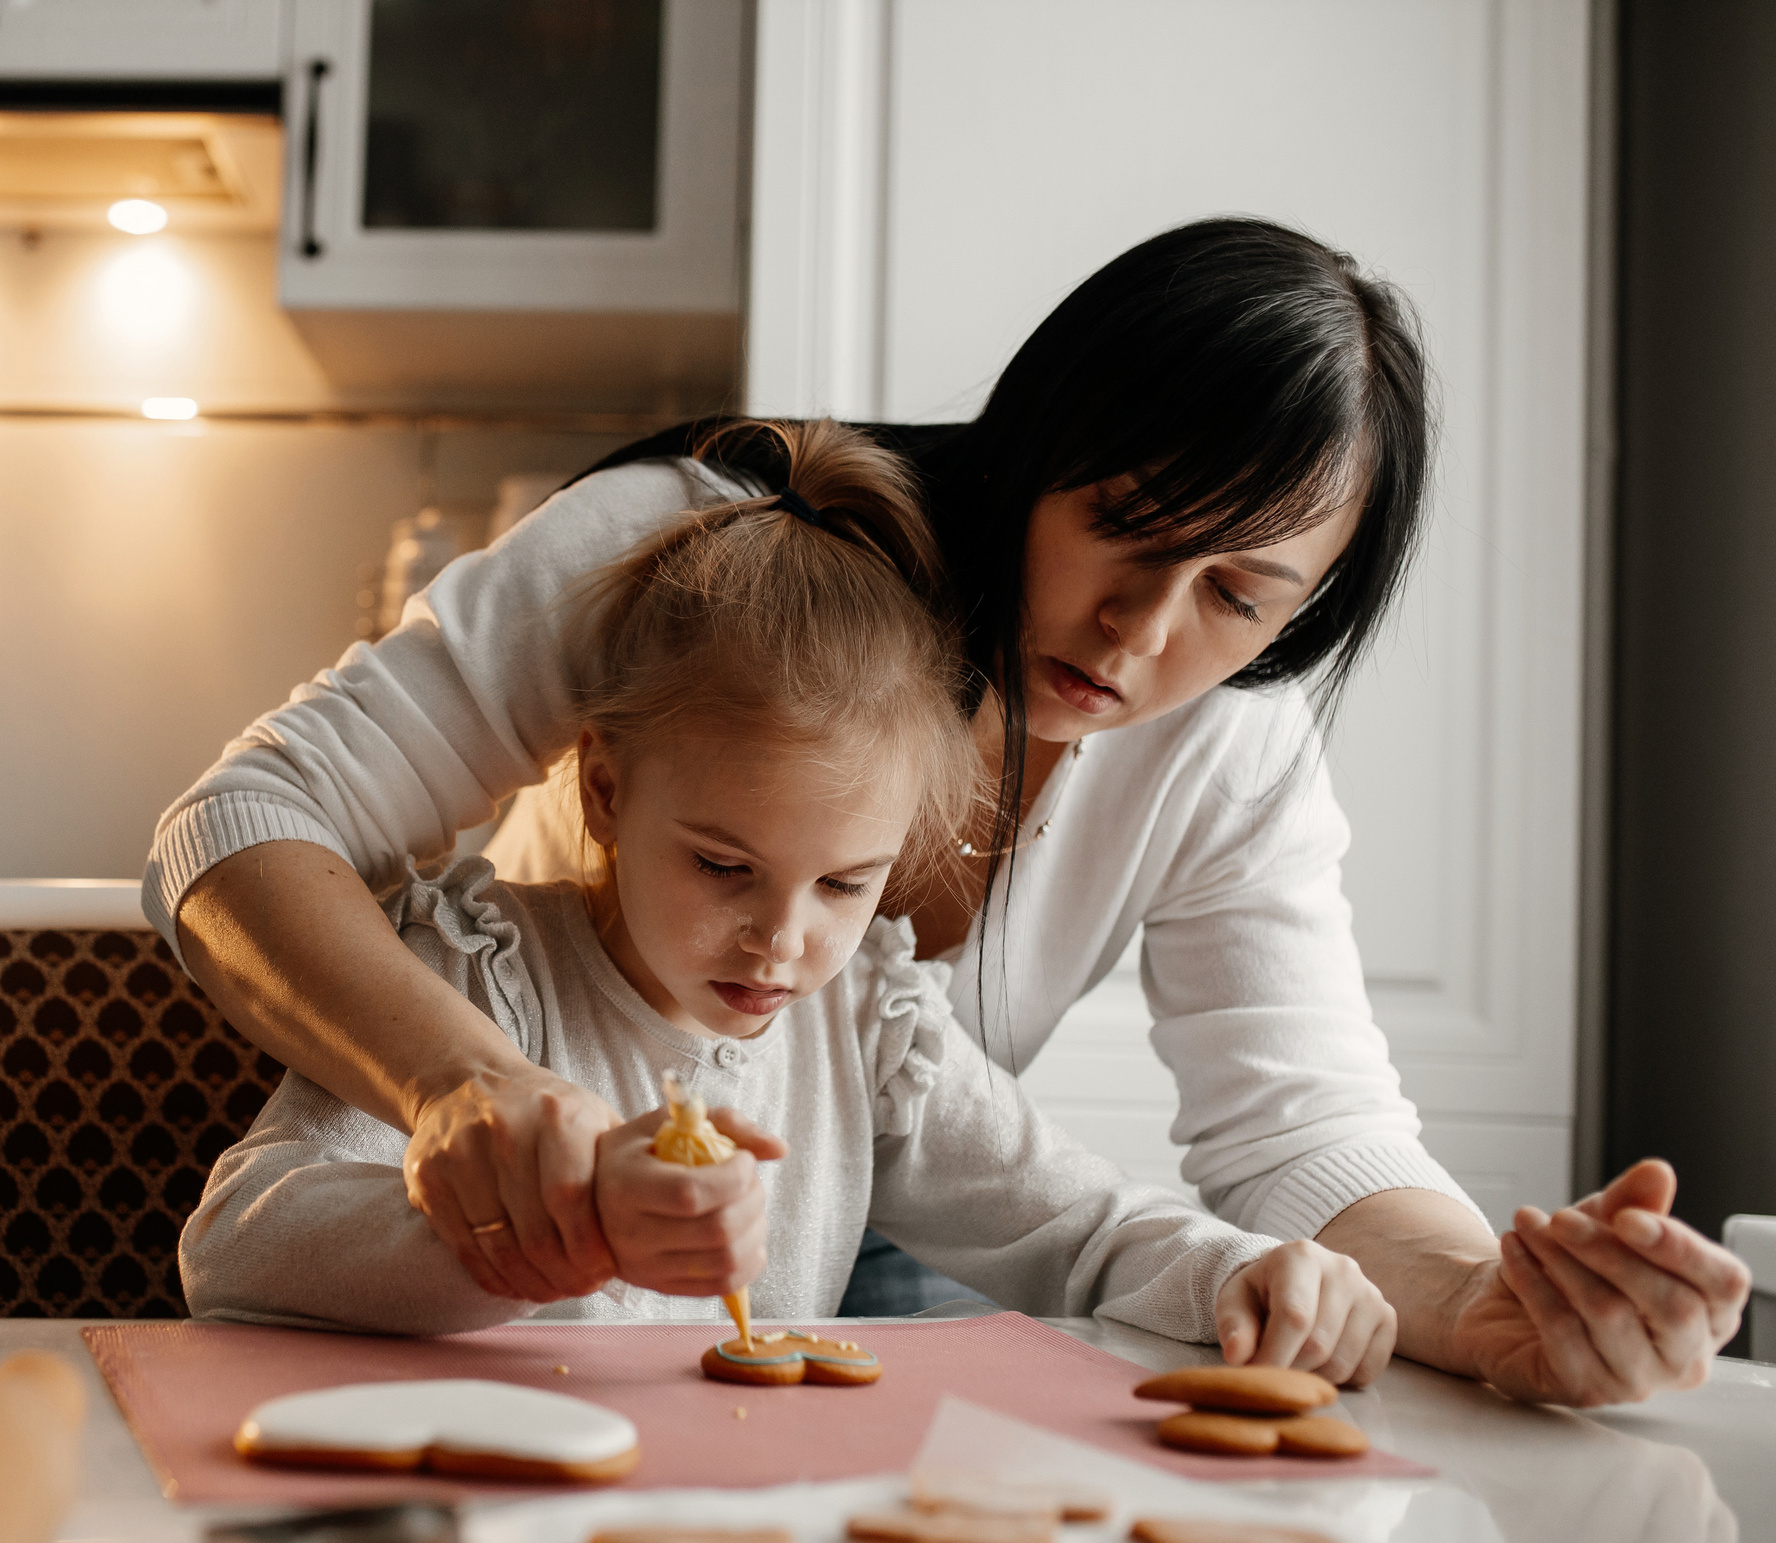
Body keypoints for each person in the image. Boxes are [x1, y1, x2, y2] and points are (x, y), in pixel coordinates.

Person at [152, 218, 1751, 1404]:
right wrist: (470, 1091)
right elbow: (242, 823)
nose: (1142, 631)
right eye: (1123, 527)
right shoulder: (703, 560)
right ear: (1038, 442)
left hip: (847, 1246)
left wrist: (1485, 1307)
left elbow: (1292, 1129)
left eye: (1239, 595)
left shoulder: (1233, 747)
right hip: (489, 1284)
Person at [182, 420, 1393, 1369]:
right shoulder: (481, 973)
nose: (781, 938)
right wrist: (518, 1242)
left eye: (846, 884)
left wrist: (1243, 1274)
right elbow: (239, 1243)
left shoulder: (868, 1021)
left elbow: (1077, 1230)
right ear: (603, 791)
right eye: (721, 866)